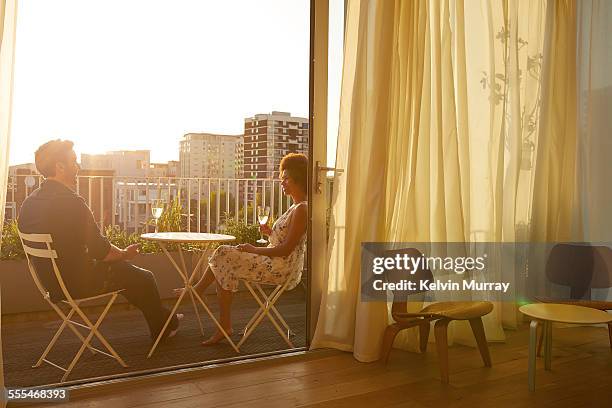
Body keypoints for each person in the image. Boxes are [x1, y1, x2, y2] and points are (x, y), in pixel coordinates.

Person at [18, 139, 181, 343]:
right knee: (144, 278)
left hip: (51, 284)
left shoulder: (29, 202)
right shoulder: (72, 203)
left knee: (127, 276)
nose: (78, 166)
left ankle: (165, 320)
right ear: (60, 167)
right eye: (74, 161)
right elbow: (102, 252)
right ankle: (164, 325)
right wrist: (124, 254)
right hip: (77, 282)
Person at [179, 153, 308, 345]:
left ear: (298, 179)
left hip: (283, 268)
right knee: (225, 258)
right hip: (277, 263)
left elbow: (285, 250)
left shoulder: (302, 209)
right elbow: (282, 242)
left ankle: (204, 299)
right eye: (281, 178)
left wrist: (253, 249)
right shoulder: (295, 207)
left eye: (285, 179)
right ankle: (219, 319)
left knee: (224, 254)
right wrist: (269, 233)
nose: (282, 182)